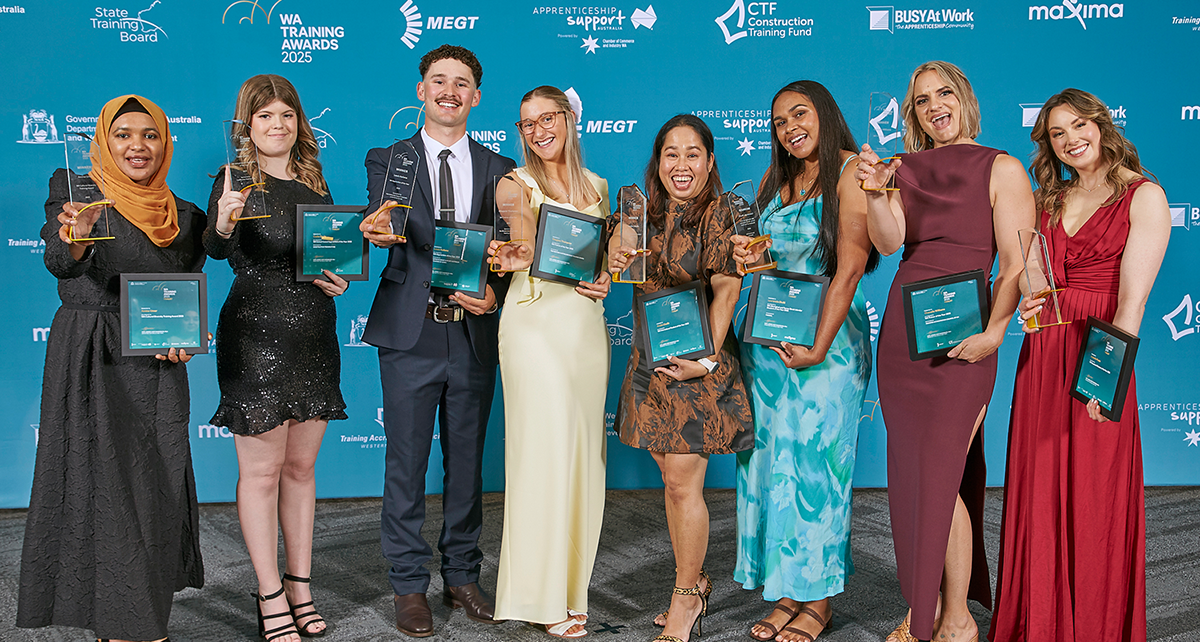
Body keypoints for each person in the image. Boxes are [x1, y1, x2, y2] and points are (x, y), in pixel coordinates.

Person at [854, 61, 1034, 642]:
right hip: (908, 337)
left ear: (965, 99)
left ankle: (945, 614)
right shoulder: (901, 168)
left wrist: (996, 331)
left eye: (944, 94)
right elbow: (888, 240)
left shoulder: (1002, 167)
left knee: (942, 471)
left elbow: (1015, 263)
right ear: (912, 113)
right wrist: (877, 193)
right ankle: (938, 611)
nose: (935, 106)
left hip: (970, 334)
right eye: (922, 99)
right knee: (920, 478)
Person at [17, 94, 205, 642]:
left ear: (164, 143)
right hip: (92, 352)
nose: (137, 146)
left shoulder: (185, 214)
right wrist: (73, 238)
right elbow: (57, 258)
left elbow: (181, 292)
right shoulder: (76, 191)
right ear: (104, 141)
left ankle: (143, 613)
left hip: (157, 361)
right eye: (124, 134)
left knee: (159, 480)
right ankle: (119, 624)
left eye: (149, 135)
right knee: (101, 482)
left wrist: (186, 338)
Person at [988, 89, 1170, 642]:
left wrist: (1107, 379)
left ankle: (1091, 626)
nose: (1070, 141)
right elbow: (1037, 279)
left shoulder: (1144, 196)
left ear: (1101, 124)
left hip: (1099, 353)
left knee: (1093, 497)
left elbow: (1132, 302)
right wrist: (1028, 303)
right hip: (1043, 355)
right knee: (1038, 491)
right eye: (1056, 135)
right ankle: (1037, 622)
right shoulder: (1048, 200)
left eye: (1077, 126)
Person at [358, 44, 515, 638]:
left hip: (473, 332)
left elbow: (507, 250)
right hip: (411, 332)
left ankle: (463, 575)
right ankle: (407, 584)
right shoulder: (389, 159)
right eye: (438, 80)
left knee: (467, 464)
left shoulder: (502, 170)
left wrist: (494, 292)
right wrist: (375, 231)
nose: (449, 91)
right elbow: (385, 219)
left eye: (462, 83)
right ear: (420, 90)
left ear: (476, 96)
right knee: (406, 463)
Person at [731, 80, 880, 642]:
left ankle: (817, 601)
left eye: (799, 114)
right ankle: (785, 590)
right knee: (771, 469)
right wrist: (754, 259)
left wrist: (819, 342)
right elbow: (772, 259)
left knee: (817, 469)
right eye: (778, 121)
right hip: (767, 344)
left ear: (824, 113)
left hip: (830, 343)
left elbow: (848, 267)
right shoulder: (776, 178)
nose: (789, 127)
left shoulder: (850, 172)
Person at [205, 74, 347, 642]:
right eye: (265, 116)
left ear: (299, 124)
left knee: (301, 470)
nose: (278, 125)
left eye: (287, 115)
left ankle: (300, 586)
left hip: (314, 336)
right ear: (248, 124)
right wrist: (223, 218)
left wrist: (335, 277)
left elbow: (325, 255)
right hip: (254, 337)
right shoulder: (235, 181)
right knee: (260, 473)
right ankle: (268, 595)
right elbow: (214, 250)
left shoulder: (315, 184)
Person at [610, 114, 754, 642]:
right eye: (671, 153)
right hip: (650, 362)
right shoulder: (639, 211)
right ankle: (695, 577)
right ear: (658, 161)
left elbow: (727, 290)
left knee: (681, 481)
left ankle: (687, 595)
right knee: (670, 479)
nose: (681, 164)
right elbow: (612, 264)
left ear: (710, 161)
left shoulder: (722, 215)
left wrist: (708, 359)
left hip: (698, 362)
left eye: (693, 153)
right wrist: (613, 252)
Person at [485, 85, 611, 638]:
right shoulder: (515, 183)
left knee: (583, 457)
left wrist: (609, 276)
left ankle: (571, 588)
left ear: (569, 119)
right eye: (526, 122)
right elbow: (524, 240)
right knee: (543, 457)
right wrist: (517, 253)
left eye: (547, 118)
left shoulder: (601, 187)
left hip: (584, 328)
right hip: (535, 323)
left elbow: (604, 261)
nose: (538, 130)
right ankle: (537, 597)